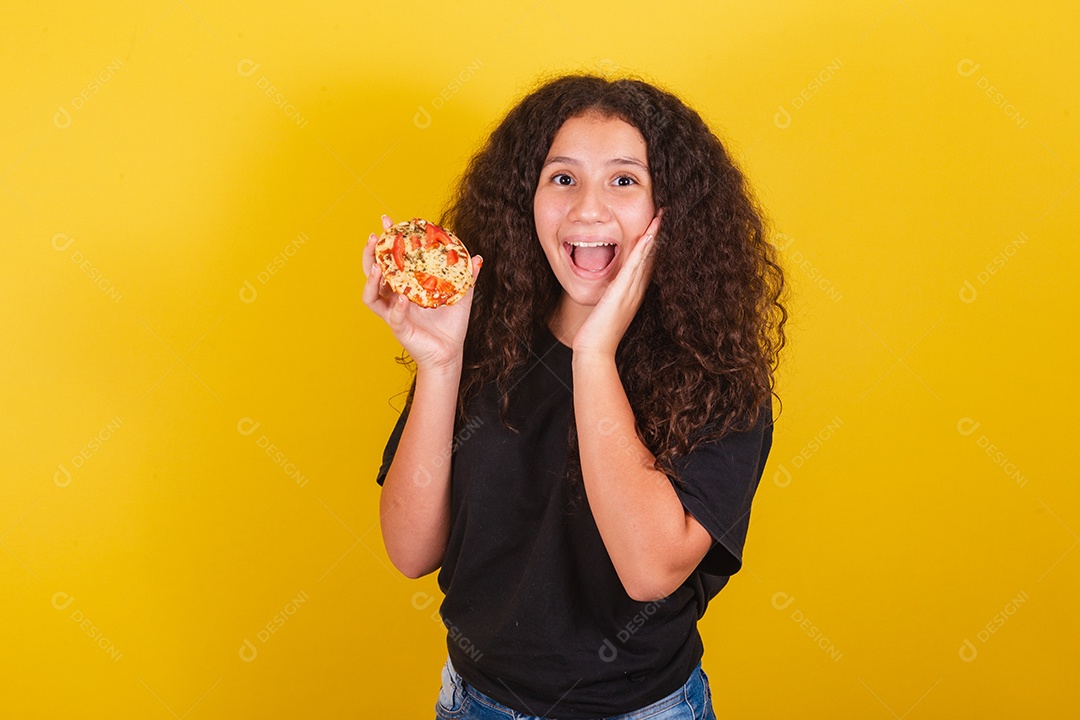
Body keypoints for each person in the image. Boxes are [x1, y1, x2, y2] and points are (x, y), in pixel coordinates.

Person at [362, 74, 786, 720]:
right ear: (526, 200)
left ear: (671, 208)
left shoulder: (717, 376)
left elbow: (650, 571)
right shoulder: (485, 338)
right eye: (563, 178)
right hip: (475, 703)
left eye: (624, 180)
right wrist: (440, 364)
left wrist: (593, 356)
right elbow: (410, 551)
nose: (588, 209)